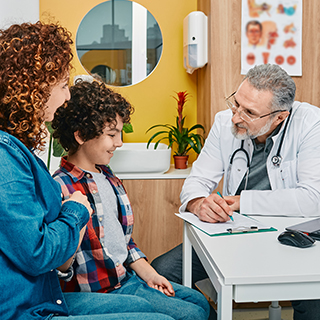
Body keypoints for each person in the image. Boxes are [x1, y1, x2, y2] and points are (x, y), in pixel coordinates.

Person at [0, 21, 175, 320]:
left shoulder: (17, 153)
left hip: (44, 297)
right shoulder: (6, 157)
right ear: (35, 87)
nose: (67, 96)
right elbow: (38, 254)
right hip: (29, 309)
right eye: (63, 85)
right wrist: (76, 210)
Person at [151, 64, 320, 320]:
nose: (236, 117)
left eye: (249, 112)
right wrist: (199, 204)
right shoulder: (223, 124)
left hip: (292, 235)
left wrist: (242, 201)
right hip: (233, 232)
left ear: (280, 117)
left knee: (314, 295)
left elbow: (312, 199)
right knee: (163, 271)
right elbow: (195, 184)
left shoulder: (310, 124)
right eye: (236, 103)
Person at [51, 80, 210, 320]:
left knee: (199, 302)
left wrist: (150, 275)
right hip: (96, 293)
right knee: (191, 315)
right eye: (112, 134)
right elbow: (59, 265)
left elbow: (124, 243)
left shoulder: (109, 177)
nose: (119, 142)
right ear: (81, 135)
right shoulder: (60, 187)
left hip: (125, 279)